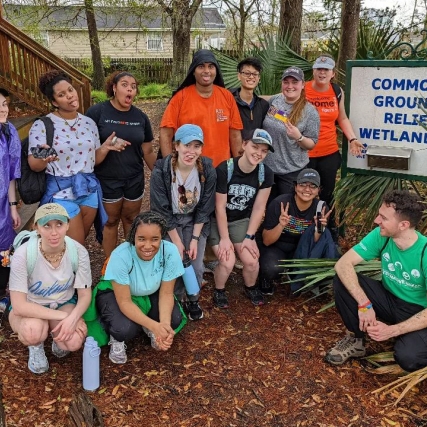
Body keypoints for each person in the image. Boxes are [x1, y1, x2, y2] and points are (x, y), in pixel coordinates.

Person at [325, 190, 427, 372]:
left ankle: (406, 339)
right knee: (342, 280)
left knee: (408, 358)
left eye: (384, 218)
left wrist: (392, 330)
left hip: (419, 312)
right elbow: (343, 264)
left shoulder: (424, 253)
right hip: (389, 299)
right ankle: (356, 340)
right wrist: (365, 304)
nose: (377, 221)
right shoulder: (382, 235)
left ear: (404, 224)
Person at [29, 70, 114, 245]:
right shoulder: (43, 125)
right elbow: (34, 165)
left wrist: (105, 148)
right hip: (60, 193)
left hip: (88, 190)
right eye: (61, 95)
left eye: (70, 90)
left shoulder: (89, 123)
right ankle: (70, 273)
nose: (69, 96)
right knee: (74, 247)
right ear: (54, 102)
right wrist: (44, 156)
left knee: (77, 244)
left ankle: (72, 272)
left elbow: (93, 161)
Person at [92, 212, 186, 364]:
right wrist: (155, 326)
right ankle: (117, 337)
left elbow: (167, 293)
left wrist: (164, 327)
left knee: (174, 319)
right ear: (133, 237)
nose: (148, 246)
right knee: (123, 329)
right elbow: (125, 302)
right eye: (141, 239)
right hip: (116, 293)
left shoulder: (170, 251)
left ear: (161, 237)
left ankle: (149, 326)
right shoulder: (120, 256)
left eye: (155, 239)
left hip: (150, 291)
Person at [8, 203, 92, 374]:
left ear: (68, 225)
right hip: (32, 305)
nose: (54, 232)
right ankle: (36, 345)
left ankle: (55, 335)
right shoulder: (24, 254)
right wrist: (66, 318)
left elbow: (84, 295)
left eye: (59, 224)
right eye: (47, 225)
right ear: (36, 227)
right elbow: (19, 305)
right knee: (32, 332)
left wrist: (73, 317)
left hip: (62, 301)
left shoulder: (78, 252)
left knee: (74, 341)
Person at [86, 71, 156, 257]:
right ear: (114, 88)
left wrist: (160, 175)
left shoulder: (140, 117)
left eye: (133, 87)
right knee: (110, 222)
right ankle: (110, 266)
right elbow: (86, 151)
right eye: (125, 85)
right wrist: (105, 147)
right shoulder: (97, 113)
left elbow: (147, 151)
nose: (130, 89)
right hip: (107, 178)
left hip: (134, 178)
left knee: (131, 219)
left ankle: (131, 262)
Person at [150, 124, 216, 321]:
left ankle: (193, 298)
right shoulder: (162, 170)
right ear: (176, 146)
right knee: (175, 260)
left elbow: (205, 207)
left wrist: (194, 239)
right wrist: (178, 243)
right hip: (168, 222)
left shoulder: (207, 169)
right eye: (187, 145)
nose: (191, 151)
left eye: (197, 146)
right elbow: (161, 209)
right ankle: (175, 297)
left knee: (195, 262)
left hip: (195, 221)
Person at [209, 129, 274, 308]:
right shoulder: (225, 169)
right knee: (227, 260)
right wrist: (224, 239)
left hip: (241, 220)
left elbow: (259, 207)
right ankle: (219, 290)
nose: (258, 153)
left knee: (252, 260)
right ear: (244, 145)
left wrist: (250, 236)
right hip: (217, 219)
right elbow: (219, 206)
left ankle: (250, 286)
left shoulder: (265, 174)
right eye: (255, 147)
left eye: (264, 151)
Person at [305, 55, 363, 240]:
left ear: (332, 74)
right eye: (318, 69)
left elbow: (342, 118)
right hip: (304, 152)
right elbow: (281, 105)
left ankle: (327, 228)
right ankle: (304, 227)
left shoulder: (336, 91)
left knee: (327, 193)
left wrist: (352, 138)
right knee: (304, 191)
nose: (322, 72)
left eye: (326, 70)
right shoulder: (301, 89)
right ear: (313, 71)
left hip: (329, 152)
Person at [159, 49, 243, 168]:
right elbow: (165, 133)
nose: (206, 71)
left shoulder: (227, 96)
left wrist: (238, 168)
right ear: (193, 71)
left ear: (216, 70)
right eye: (201, 66)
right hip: (188, 169)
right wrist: (168, 166)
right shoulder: (180, 98)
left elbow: (235, 135)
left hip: (222, 168)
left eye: (211, 66)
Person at [259, 168, 334, 296]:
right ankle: (265, 278)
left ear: (318, 190)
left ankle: (297, 277)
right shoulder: (280, 203)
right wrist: (281, 225)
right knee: (271, 268)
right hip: (277, 246)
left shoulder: (321, 208)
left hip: (301, 249)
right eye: (303, 184)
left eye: (312, 186)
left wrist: (318, 228)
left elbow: (317, 244)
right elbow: (266, 241)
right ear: (295, 186)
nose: (307, 189)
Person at [262, 67, 320, 198]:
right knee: (270, 209)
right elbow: (259, 100)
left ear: (303, 84)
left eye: (295, 82)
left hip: (291, 171)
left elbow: (311, 143)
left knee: (286, 211)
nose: (290, 86)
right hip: (267, 169)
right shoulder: (275, 101)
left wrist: (298, 137)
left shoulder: (310, 112)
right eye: (286, 82)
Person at [0, 88, 21, 311]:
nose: (3, 109)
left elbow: (12, 173)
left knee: (5, 248)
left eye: (4, 103)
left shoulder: (8, 131)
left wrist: (14, 206)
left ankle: (5, 293)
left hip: (3, 204)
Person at [230, 57, 269, 132]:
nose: (251, 77)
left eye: (255, 74)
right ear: (239, 76)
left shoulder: (263, 105)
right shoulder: (229, 100)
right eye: (247, 73)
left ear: (259, 78)